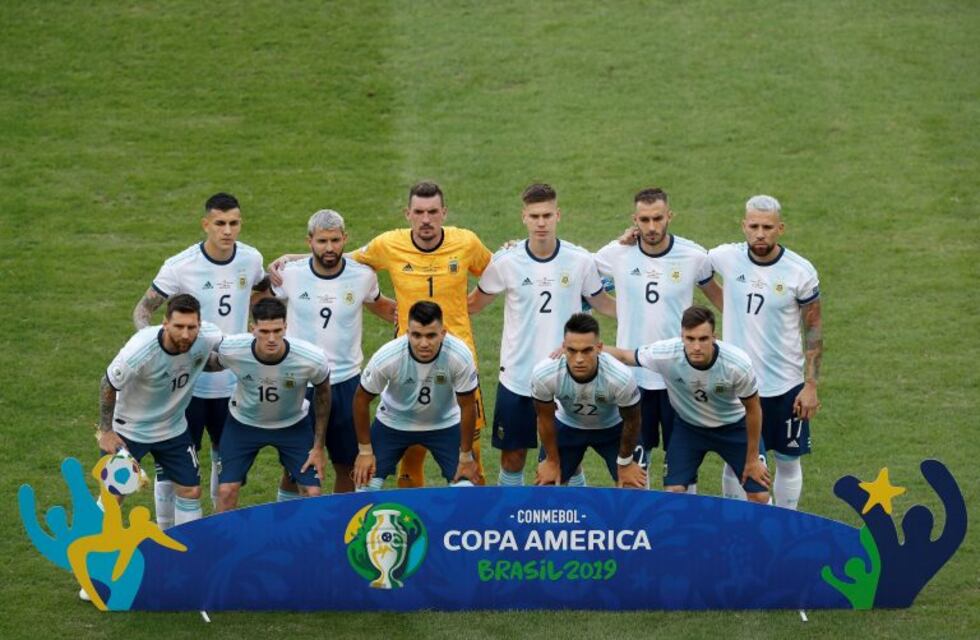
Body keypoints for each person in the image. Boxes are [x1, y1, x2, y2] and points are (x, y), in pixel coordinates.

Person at [271, 182, 492, 487]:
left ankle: (471, 525)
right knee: (411, 452)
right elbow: (339, 256)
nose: (426, 219)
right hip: (409, 355)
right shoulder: (388, 245)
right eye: (418, 212)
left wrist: (468, 306)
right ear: (407, 214)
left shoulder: (466, 242)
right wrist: (294, 257)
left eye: (432, 212)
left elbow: (497, 272)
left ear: (444, 213)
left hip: (459, 357)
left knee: (471, 450)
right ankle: (418, 522)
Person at [469, 183, 616, 487]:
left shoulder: (580, 261)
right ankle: (510, 520)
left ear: (558, 215)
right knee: (512, 458)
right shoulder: (506, 261)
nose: (541, 222)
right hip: (517, 377)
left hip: (566, 377)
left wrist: (648, 311)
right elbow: (471, 305)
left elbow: (603, 304)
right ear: (524, 217)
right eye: (534, 216)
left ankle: (571, 522)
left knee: (567, 461)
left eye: (547, 215)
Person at [132, 193, 267, 521]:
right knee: (171, 467)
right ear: (205, 224)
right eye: (219, 223)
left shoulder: (250, 260)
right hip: (185, 388)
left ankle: (214, 535)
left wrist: (258, 325)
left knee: (226, 464)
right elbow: (143, 309)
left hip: (233, 385)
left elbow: (264, 290)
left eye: (234, 223)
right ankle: (167, 537)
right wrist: (150, 344)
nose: (227, 231)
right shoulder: (180, 266)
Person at [594, 188, 722, 490]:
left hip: (680, 376)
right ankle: (645, 529)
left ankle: (685, 529)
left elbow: (720, 298)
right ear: (634, 219)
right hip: (633, 376)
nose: (651, 227)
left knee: (684, 463)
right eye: (644, 220)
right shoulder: (616, 253)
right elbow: (574, 271)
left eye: (658, 219)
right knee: (636, 463)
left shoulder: (693, 256)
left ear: (669, 216)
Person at [708, 195, 822, 509]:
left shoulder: (800, 271)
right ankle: (737, 522)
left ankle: (787, 523)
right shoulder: (725, 257)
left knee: (788, 460)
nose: (760, 233)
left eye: (768, 227)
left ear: (780, 228)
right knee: (735, 460)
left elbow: (813, 330)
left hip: (786, 385)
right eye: (754, 226)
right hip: (739, 385)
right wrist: (728, 308)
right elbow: (685, 263)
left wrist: (810, 385)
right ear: (743, 226)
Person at [273, 209, 396, 494]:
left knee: (347, 465)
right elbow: (261, 304)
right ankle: (287, 529)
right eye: (322, 241)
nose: (329, 248)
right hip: (300, 382)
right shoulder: (290, 275)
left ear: (345, 239)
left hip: (346, 383)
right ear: (309, 242)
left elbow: (381, 305)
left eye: (335, 240)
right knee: (295, 466)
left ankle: (339, 530)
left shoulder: (363, 276)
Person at [604, 305, 771, 502]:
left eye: (703, 339)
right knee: (673, 492)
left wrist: (752, 459)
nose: (696, 346)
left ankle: (764, 532)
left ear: (714, 338)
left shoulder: (737, 364)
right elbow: (625, 356)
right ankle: (688, 532)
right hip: (689, 429)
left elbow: (753, 409)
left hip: (734, 427)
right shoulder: (666, 354)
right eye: (690, 339)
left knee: (759, 495)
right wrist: (588, 349)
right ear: (682, 337)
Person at [99, 294, 223, 528]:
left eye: (191, 327)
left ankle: (186, 553)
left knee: (190, 490)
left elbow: (214, 358)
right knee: (115, 493)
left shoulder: (207, 336)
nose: (185, 334)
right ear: (165, 323)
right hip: (130, 431)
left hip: (173, 429)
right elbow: (107, 384)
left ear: (199, 324)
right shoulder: (140, 351)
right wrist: (106, 430)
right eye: (178, 327)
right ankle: (90, 555)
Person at [214, 298, 331, 511]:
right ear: (253, 329)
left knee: (312, 493)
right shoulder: (233, 349)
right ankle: (223, 542)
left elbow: (323, 393)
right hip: (243, 425)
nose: (271, 338)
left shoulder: (310, 358)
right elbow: (208, 362)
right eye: (264, 331)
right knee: (226, 491)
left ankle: (308, 543)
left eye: (277, 330)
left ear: (286, 327)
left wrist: (318, 447)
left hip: (293, 425)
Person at [352, 301, 480, 489]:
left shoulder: (459, 356)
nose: (424, 343)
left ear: (443, 333)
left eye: (431, 335)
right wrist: (364, 451)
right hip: (393, 422)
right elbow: (360, 400)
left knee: (466, 486)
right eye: (417, 335)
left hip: (443, 422)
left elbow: (468, 406)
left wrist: (466, 456)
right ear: (407, 333)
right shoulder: (388, 357)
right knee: (364, 485)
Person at [530, 313, 646, 488]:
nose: (579, 359)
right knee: (547, 487)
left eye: (587, 351)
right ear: (563, 347)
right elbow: (544, 418)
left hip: (614, 429)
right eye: (572, 350)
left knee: (632, 489)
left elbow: (633, 420)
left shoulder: (620, 378)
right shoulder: (544, 374)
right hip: (568, 426)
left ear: (599, 348)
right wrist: (552, 461)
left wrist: (625, 462)